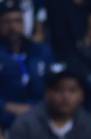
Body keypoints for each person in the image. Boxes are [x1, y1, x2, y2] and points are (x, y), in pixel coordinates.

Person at [0, 0, 52, 128]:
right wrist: (7, 106)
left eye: (18, 21)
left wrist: (34, 108)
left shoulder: (41, 51)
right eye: (7, 22)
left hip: (40, 117)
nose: (13, 27)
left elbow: (52, 85)